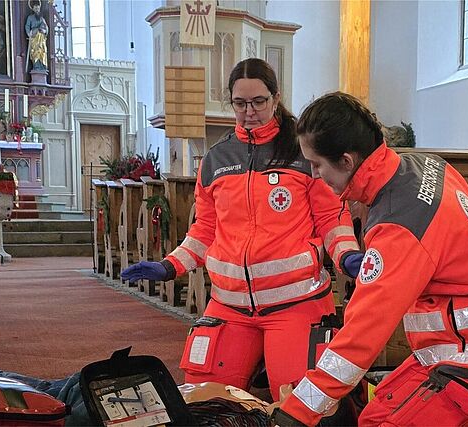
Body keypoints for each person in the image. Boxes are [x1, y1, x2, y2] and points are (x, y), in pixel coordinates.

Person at [271, 92, 468, 427]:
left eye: (317, 165)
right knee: (373, 414)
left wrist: (295, 414)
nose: (314, 176)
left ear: (346, 161)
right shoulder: (422, 165)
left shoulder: (398, 225)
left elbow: (363, 333)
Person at [121, 59, 362, 402]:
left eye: (259, 102)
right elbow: (205, 230)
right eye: (240, 103)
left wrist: (347, 256)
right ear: (230, 101)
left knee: (299, 404)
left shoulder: (302, 152)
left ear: (276, 98)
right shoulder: (216, 160)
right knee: (201, 399)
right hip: (229, 305)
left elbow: (331, 219)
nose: (250, 111)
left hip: (294, 303)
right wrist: (169, 265)